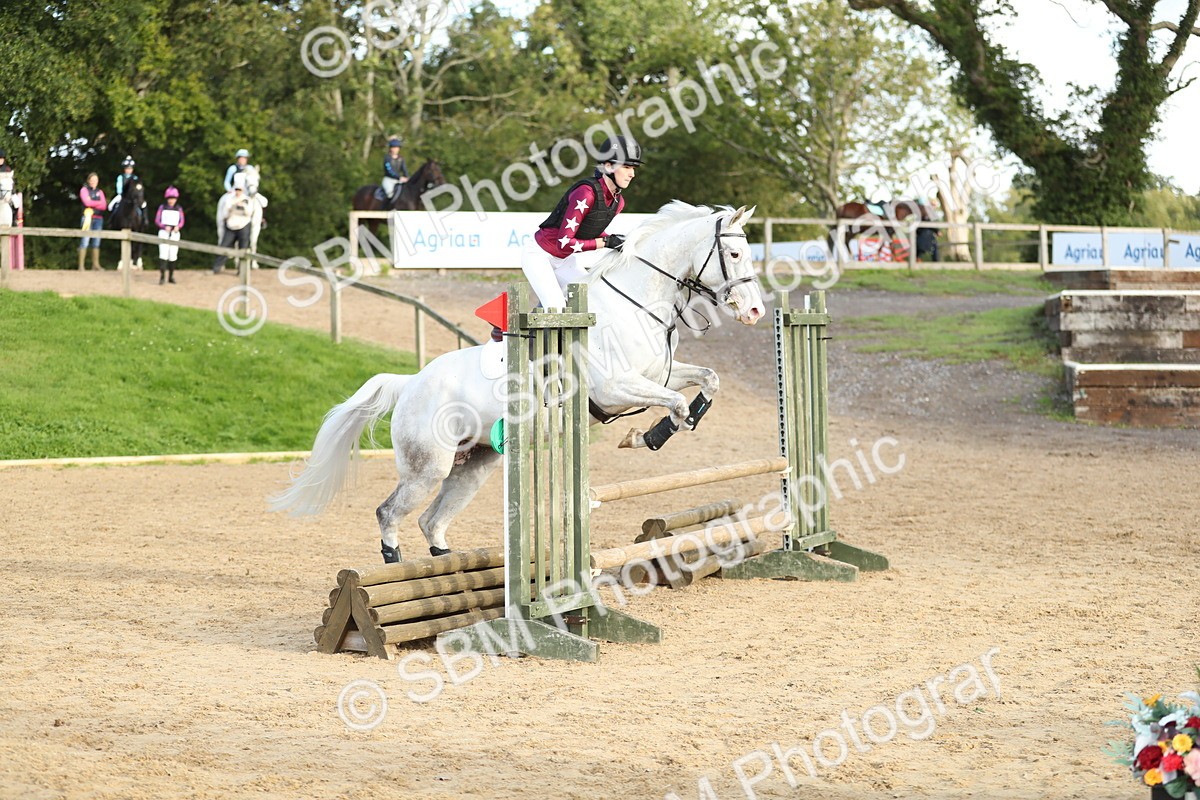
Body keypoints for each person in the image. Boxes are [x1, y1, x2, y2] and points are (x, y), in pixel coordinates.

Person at [522, 135, 641, 311]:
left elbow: (589, 231)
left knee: (594, 300)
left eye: (633, 168)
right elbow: (564, 243)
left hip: (564, 260)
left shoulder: (618, 202)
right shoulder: (586, 193)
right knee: (556, 309)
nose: (632, 174)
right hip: (540, 256)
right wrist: (605, 243)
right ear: (608, 166)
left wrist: (617, 240)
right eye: (626, 167)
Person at [212, 174, 254, 273]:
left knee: (243, 249)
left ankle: (242, 270)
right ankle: (217, 267)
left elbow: (249, 213)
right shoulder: (230, 200)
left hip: (243, 226)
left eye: (240, 190)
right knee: (224, 246)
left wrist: (242, 206)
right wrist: (232, 207)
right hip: (231, 225)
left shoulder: (247, 200)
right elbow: (225, 213)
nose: (238, 192)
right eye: (237, 189)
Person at [155, 186, 186, 284]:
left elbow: (182, 220)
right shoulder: (162, 207)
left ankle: (171, 276)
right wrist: (164, 227)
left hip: (174, 233)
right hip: (164, 232)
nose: (171, 201)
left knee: (173, 255)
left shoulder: (179, 208)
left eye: (173, 199)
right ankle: (162, 277)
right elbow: (157, 220)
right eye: (170, 198)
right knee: (163, 254)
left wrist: (178, 227)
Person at [78, 173, 107, 271]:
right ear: (88, 180)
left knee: (96, 242)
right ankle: (81, 266)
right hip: (87, 218)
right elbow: (87, 203)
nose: (94, 182)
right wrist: (98, 203)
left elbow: (104, 205)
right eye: (92, 179)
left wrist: (93, 203)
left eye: (96, 180)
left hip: (98, 218)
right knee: (85, 241)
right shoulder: (84, 190)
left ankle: (95, 265)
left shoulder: (100, 192)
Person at [381, 137, 408, 209]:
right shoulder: (387, 158)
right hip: (389, 180)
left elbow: (404, 169)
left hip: (398, 181)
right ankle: (386, 208)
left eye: (397, 147)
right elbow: (389, 171)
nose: (396, 149)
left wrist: (407, 177)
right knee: (390, 194)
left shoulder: (401, 159)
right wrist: (399, 177)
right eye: (394, 147)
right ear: (390, 148)